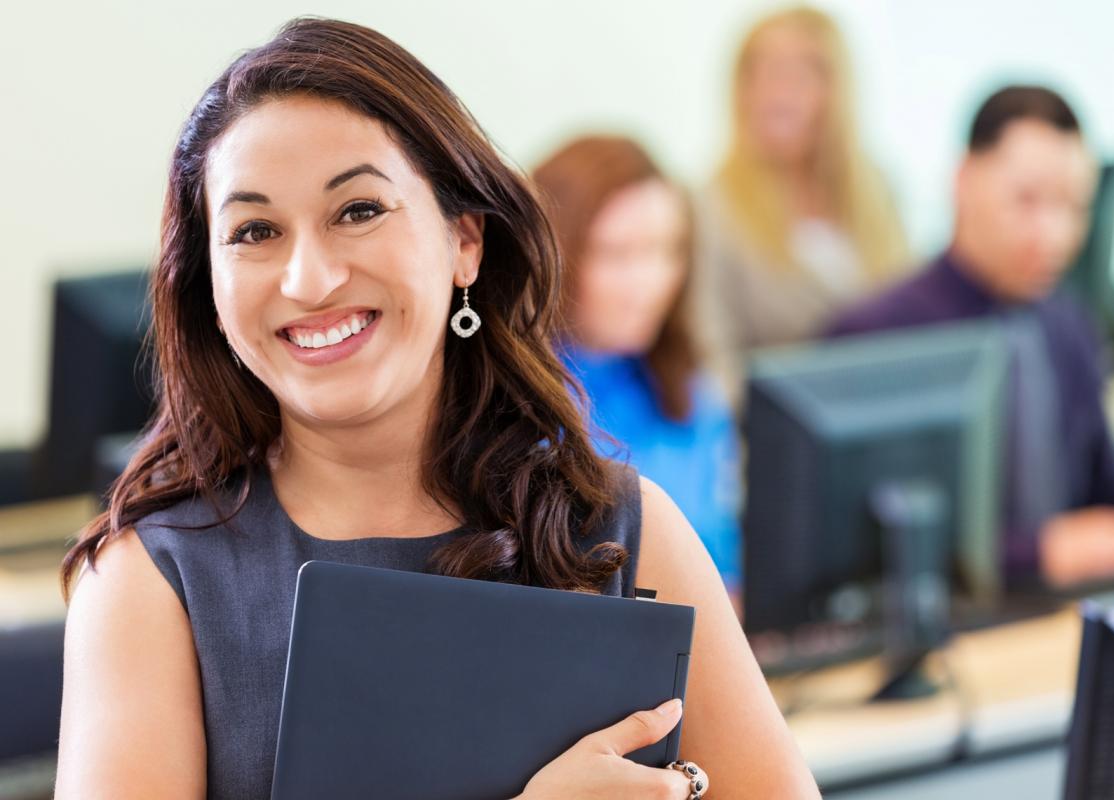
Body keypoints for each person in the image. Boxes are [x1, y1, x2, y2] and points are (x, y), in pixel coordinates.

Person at [53, 18, 820, 800]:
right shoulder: (150, 582)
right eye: (254, 231)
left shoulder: (622, 526)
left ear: (465, 240)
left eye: (357, 210)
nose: (309, 279)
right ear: (209, 293)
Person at [827, 84, 1114, 589]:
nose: (1052, 234)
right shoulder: (876, 334)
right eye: (1027, 200)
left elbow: (1113, 492)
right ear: (964, 180)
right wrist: (1038, 552)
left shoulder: (1069, 325)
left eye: (1074, 207)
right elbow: (861, 546)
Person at [532, 136, 742, 592]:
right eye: (617, 254)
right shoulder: (516, 405)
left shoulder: (691, 393)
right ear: (552, 255)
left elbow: (726, 570)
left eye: (667, 251)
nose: (650, 283)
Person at [696, 5, 909, 359]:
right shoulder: (709, 207)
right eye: (761, 72)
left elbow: (909, 319)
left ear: (836, 89)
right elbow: (711, 354)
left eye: (800, 73)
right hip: (772, 412)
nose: (778, 92)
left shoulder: (879, 189)